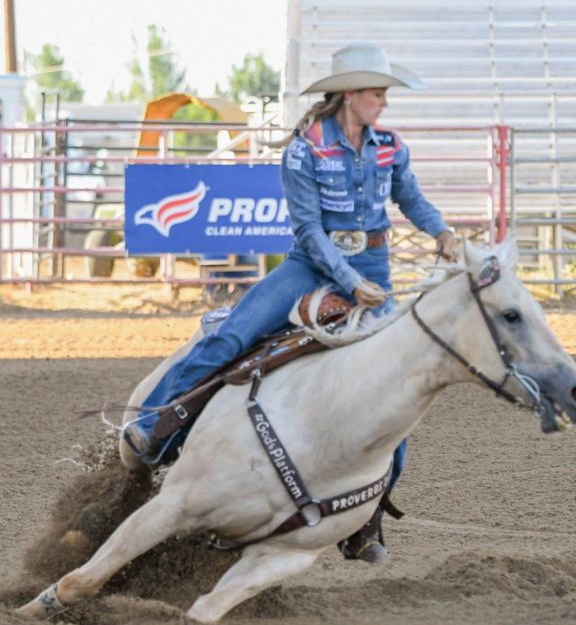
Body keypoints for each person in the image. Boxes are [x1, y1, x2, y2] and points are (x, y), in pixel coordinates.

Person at [122, 43, 457, 563]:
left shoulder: (389, 146)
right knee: (235, 332)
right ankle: (152, 425)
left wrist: (442, 231)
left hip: (371, 265)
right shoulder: (305, 149)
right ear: (350, 95)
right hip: (311, 265)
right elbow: (308, 229)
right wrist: (348, 278)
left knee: (400, 381)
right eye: (377, 93)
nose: (384, 103)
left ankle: (366, 517)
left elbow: (409, 197)